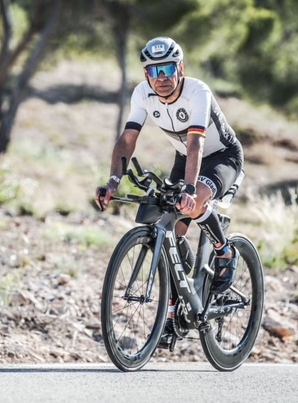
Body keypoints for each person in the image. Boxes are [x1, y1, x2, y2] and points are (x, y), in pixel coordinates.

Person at [95, 36, 243, 296]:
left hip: (222, 155)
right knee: (170, 229)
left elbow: (196, 143)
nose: (161, 77)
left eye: (167, 69)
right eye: (154, 71)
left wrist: (189, 190)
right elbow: (127, 139)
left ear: (180, 68)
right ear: (146, 74)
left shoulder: (197, 92)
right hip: (185, 158)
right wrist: (113, 182)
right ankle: (175, 311)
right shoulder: (142, 94)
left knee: (193, 202)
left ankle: (225, 252)